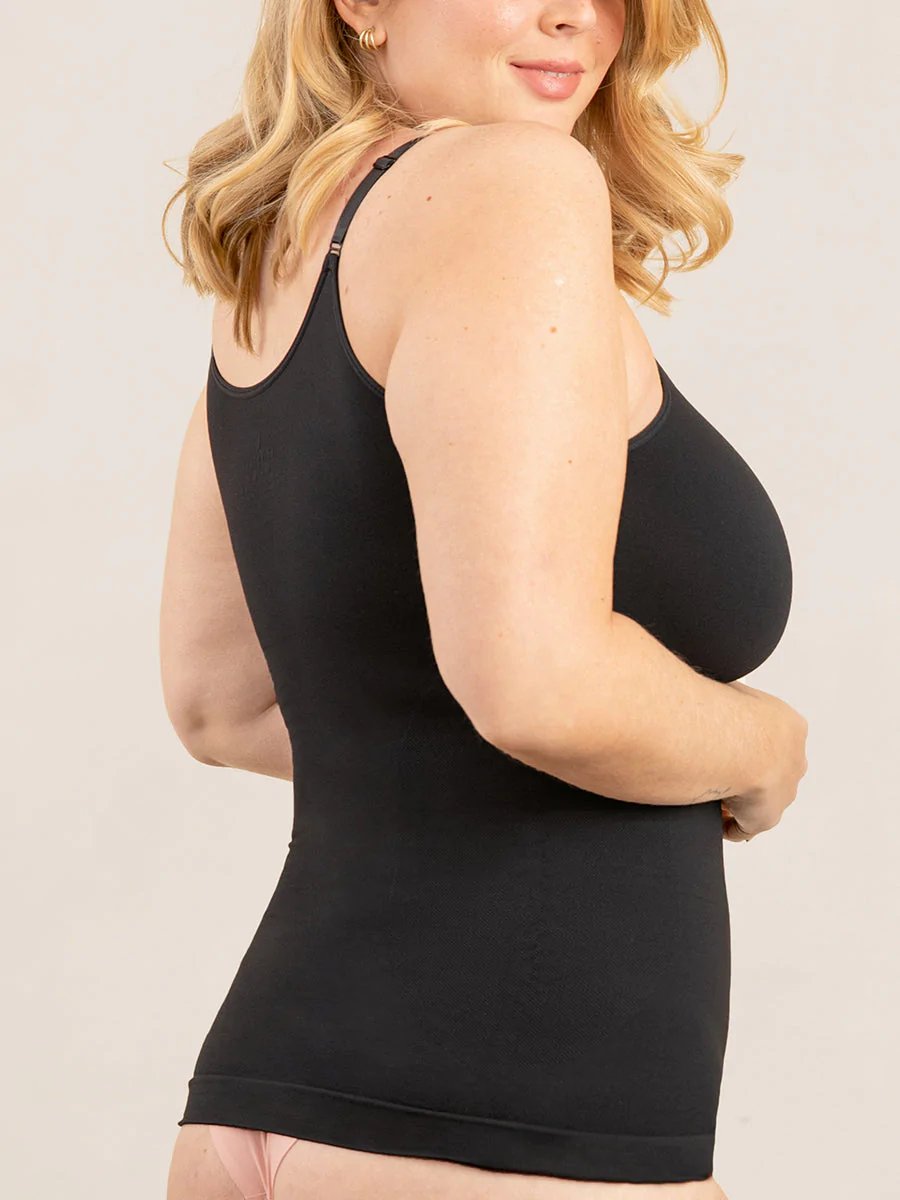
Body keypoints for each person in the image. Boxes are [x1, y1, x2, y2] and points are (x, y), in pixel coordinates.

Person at [160, 1, 809, 1198]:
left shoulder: (288, 242)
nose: (574, 15)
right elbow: (538, 683)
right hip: (503, 1125)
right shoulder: (511, 181)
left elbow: (220, 703)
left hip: (269, 1097)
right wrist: (761, 743)